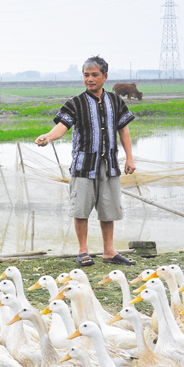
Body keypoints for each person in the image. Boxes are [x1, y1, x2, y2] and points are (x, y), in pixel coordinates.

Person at [35, 56, 136, 267]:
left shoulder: (116, 101)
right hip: (83, 165)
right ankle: (83, 251)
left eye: (94, 75)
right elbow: (62, 126)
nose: (89, 79)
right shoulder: (76, 103)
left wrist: (130, 157)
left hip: (109, 165)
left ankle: (109, 251)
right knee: (81, 209)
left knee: (109, 209)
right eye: (86, 75)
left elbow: (123, 129)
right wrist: (48, 137)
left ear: (105, 77)